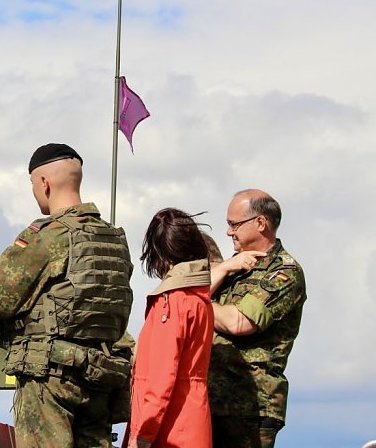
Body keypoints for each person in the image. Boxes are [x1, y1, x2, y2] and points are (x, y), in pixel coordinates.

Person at [0, 143, 133, 448]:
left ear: (44, 183)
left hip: (50, 377)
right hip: (101, 376)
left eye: (32, 185)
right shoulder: (116, 240)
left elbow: (0, 298)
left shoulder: (51, 236)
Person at [209, 189, 307, 447]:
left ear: (261, 223)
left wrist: (196, 306)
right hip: (210, 402)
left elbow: (238, 322)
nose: (229, 232)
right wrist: (224, 268)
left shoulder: (284, 272)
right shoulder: (234, 267)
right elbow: (189, 295)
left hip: (250, 406)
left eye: (234, 225)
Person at [124, 208, 214, 448]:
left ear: (160, 254)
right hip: (192, 422)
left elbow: (160, 378)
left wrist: (143, 435)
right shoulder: (199, 299)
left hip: (169, 430)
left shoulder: (172, 302)